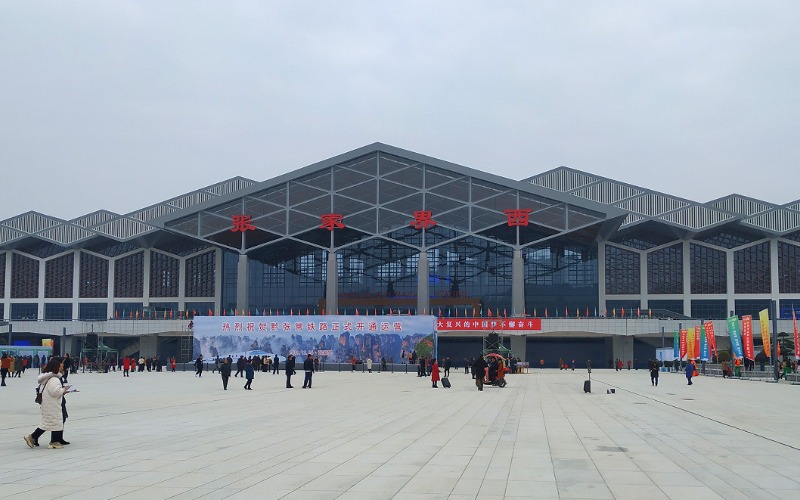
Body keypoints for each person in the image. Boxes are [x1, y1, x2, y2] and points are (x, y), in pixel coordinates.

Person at [24, 357, 70, 449]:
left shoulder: (48, 378)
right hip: (52, 404)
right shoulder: (54, 379)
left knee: (49, 423)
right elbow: (54, 392)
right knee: (53, 422)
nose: (62, 366)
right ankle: (51, 441)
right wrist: (63, 390)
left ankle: (35, 438)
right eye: (61, 365)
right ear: (56, 366)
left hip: (48, 404)